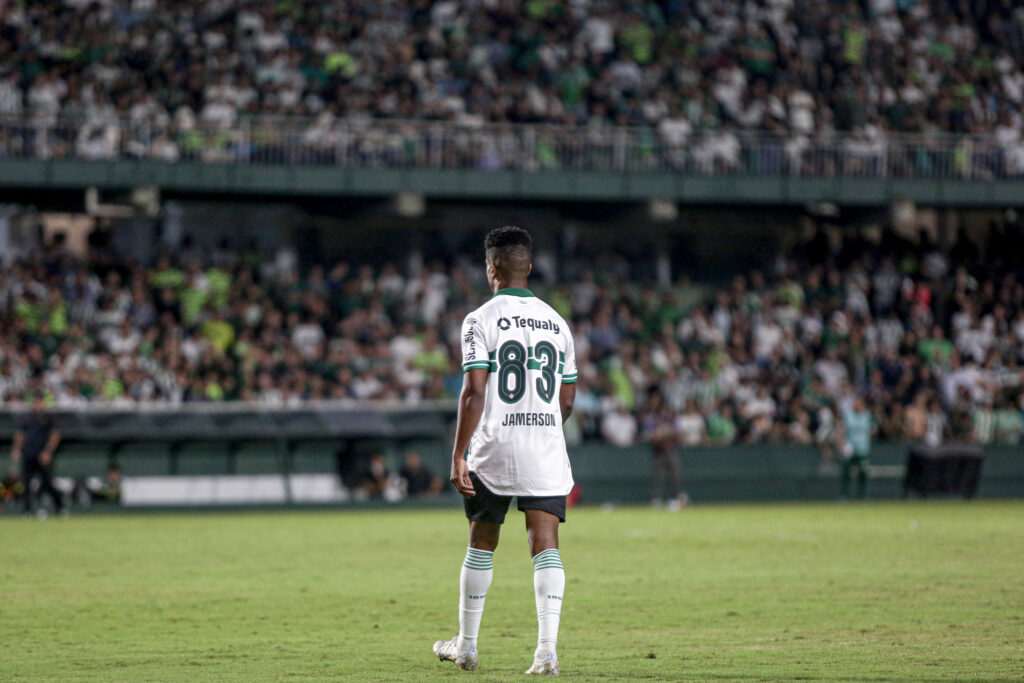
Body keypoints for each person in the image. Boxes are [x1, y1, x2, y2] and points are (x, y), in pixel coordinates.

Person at [433, 226, 577, 676]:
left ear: (490, 267)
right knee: (545, 546)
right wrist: (544, 425)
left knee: (482, 542)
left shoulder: (480, 318)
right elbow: (567, 400)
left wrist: (458, 455)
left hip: (494, 447)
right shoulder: (558, 322)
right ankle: (546, 651)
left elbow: (473, 392)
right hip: (545, 449)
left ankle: (468, 646)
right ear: (529, 267)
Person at [10, 396, 66, 517]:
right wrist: (16, 449)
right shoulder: (26, 418)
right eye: (36, 402)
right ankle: (27, 511)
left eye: (40, 402)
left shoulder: (50, 418)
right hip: (29, 454)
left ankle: (60, 507)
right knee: (25, 483)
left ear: (44, 404)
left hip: (43, 456)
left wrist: (48, 452)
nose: (38, 405)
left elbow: (55, 435)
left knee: (48, 483)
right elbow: (20, 435)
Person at [840, 397, 873, 500]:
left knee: (863, 472)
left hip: (863, 449)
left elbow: (871, 430)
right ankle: (844, 495)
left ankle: (862, 496)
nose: (855, 405)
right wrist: (841, 445)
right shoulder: (848, 416)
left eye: (858, 403)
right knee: (846, 472)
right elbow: (842, 431)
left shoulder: (867, 415)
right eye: (855, 403)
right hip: (850, 448)